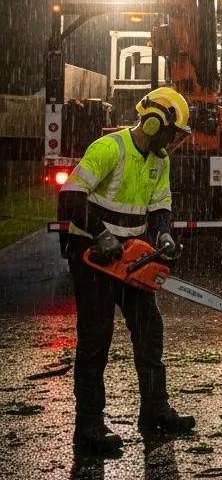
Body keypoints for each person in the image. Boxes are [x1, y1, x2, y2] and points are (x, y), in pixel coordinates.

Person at [59, 87, 196, 454]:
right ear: (154, 123)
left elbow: (159, 206)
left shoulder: (159, 159)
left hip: (132, 258)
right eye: (172, 133)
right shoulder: (109, 149)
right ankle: (88, 426)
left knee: (149, 332)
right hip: (93, 255)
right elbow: (70, 196)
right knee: (96, 340)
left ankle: (154, 411)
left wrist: (164, 234)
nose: (174, 143)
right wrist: (101, 235)